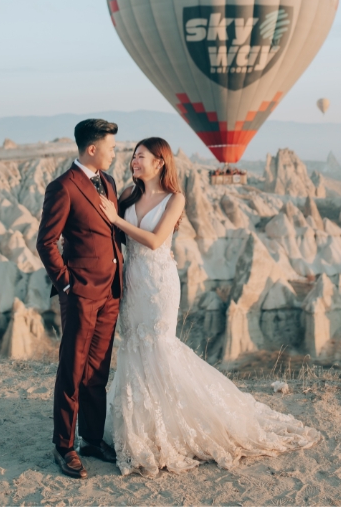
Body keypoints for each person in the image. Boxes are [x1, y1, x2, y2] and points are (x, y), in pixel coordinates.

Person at [98, 137, 320, 477]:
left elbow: (157, 240)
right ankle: (139, 427)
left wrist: (116, 219)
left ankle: (176, 426)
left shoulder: (176, 199)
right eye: (132, 156)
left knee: (158, 347)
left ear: (160, 162)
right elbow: (116, 238)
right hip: (133, 284)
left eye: (140, 156)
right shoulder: (128, 195)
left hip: (159, 284)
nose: (133, 162)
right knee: (133, 349)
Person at [35, 118, 127, 479]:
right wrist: (67, 284)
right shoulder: (63, 187)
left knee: (97, 372)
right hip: (81, 293)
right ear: (92, 149)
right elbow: (46, 242)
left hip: (110, 292)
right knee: (72, 371)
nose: (115, 152)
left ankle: (91, 438)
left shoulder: (110, 182)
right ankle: (64, 445)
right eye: (111, 146)